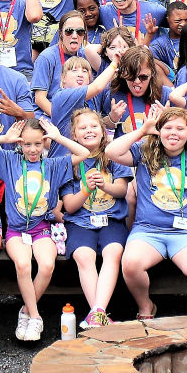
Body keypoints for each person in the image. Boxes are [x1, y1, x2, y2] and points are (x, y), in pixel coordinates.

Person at [106, 106, 187, 318]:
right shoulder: (145, 151)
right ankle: (146, 306)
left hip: (186, 232)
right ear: (159, 130)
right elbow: (111, 152)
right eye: (168, 127)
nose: (174, 133)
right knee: (130, 263)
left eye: (180, 128)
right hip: (148, 230)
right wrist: (142, 131)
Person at [0, 119, 80, 341]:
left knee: (46, 265)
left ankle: (24, 311)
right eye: (27, 144)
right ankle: (34, 317)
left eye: (37, 144)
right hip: (15, 230)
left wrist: (57, 136)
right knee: (23, 265)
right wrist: (4, 139)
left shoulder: (52, 165)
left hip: (42, 228)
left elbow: (83, 153)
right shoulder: (9, 161)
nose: (32, 150)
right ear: (20, 144)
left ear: (44, 142)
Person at [59, 107, 132, 328]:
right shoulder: (68, 161)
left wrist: (105, 185)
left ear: (103, 131)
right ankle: (98, 314)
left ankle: (97, 312)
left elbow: (122, 191)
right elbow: (69, 207)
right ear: (74, 135)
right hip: (80, 222)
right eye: (82, 128)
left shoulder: (113, 155)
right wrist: (86, 190)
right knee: (84, 256)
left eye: (94, 126)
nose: (89, 131)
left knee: (113, 253)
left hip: (111, 219)